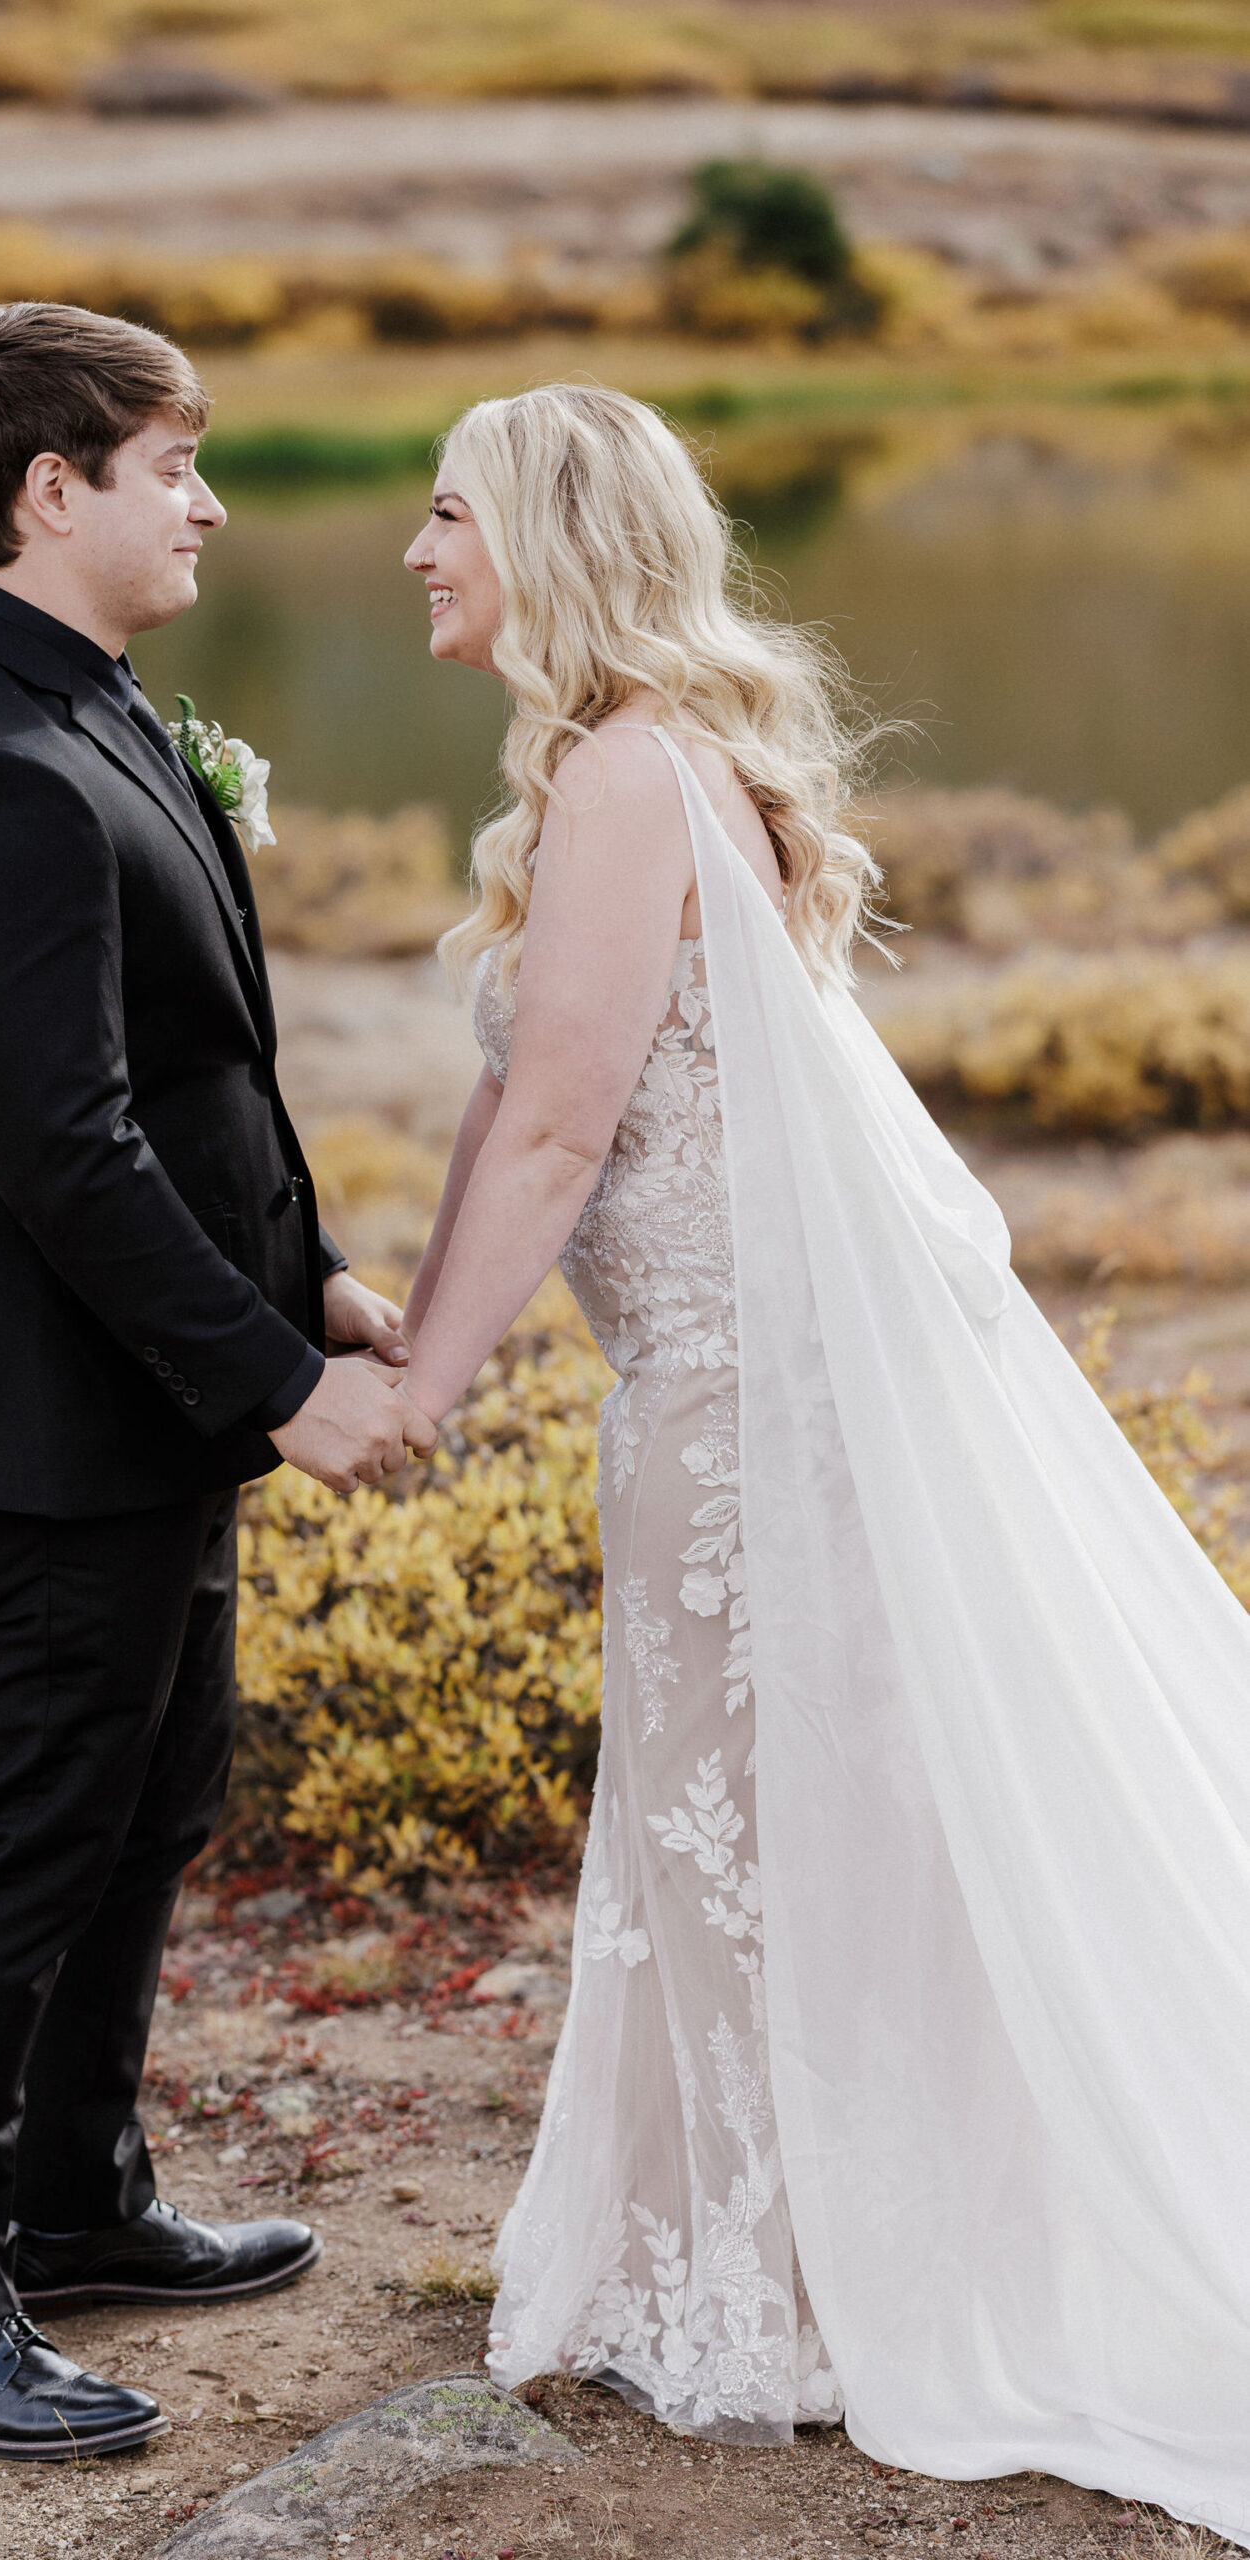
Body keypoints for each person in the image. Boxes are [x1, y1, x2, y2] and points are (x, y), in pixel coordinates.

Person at [398, 382, 1250, 2541]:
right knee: (752, 1837)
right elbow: (518, 1129)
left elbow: (575, 1117)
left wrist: (420, 1399)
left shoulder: (621, 777)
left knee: (750, 1849)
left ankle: (781, 2289)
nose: (412, 551)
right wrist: (404, 1319)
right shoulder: (641, 767)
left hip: (724, 1406)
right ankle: (746, 2254)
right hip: (709, 1396)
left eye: (442, 513)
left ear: (544, 537)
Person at [0, 300, 434, 2461]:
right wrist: (279, 1377)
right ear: (48, 489)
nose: (208, 499)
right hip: (40, 1415)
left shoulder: (87, 707)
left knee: (144, 1805)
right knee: (24, 1839)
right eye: (171, 462)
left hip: (144, 1400)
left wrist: (324, 1279)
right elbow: (62, 1157)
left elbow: (191, 1086)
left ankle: (73, 2200)